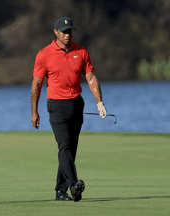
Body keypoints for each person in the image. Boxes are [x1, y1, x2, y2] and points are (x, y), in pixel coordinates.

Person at [31, 17, 107, 202]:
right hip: (57, 106)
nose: (67, 34)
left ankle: (60, 190)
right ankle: (74, 185)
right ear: (55, 32)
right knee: (64, 146)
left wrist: (99, 102)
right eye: (64, 31)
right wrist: (34, 111)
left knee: (70, 150)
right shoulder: (44, 54)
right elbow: (37, 84)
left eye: (70, 31)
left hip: (76, 104)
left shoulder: (81, 51)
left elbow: (90, 77)